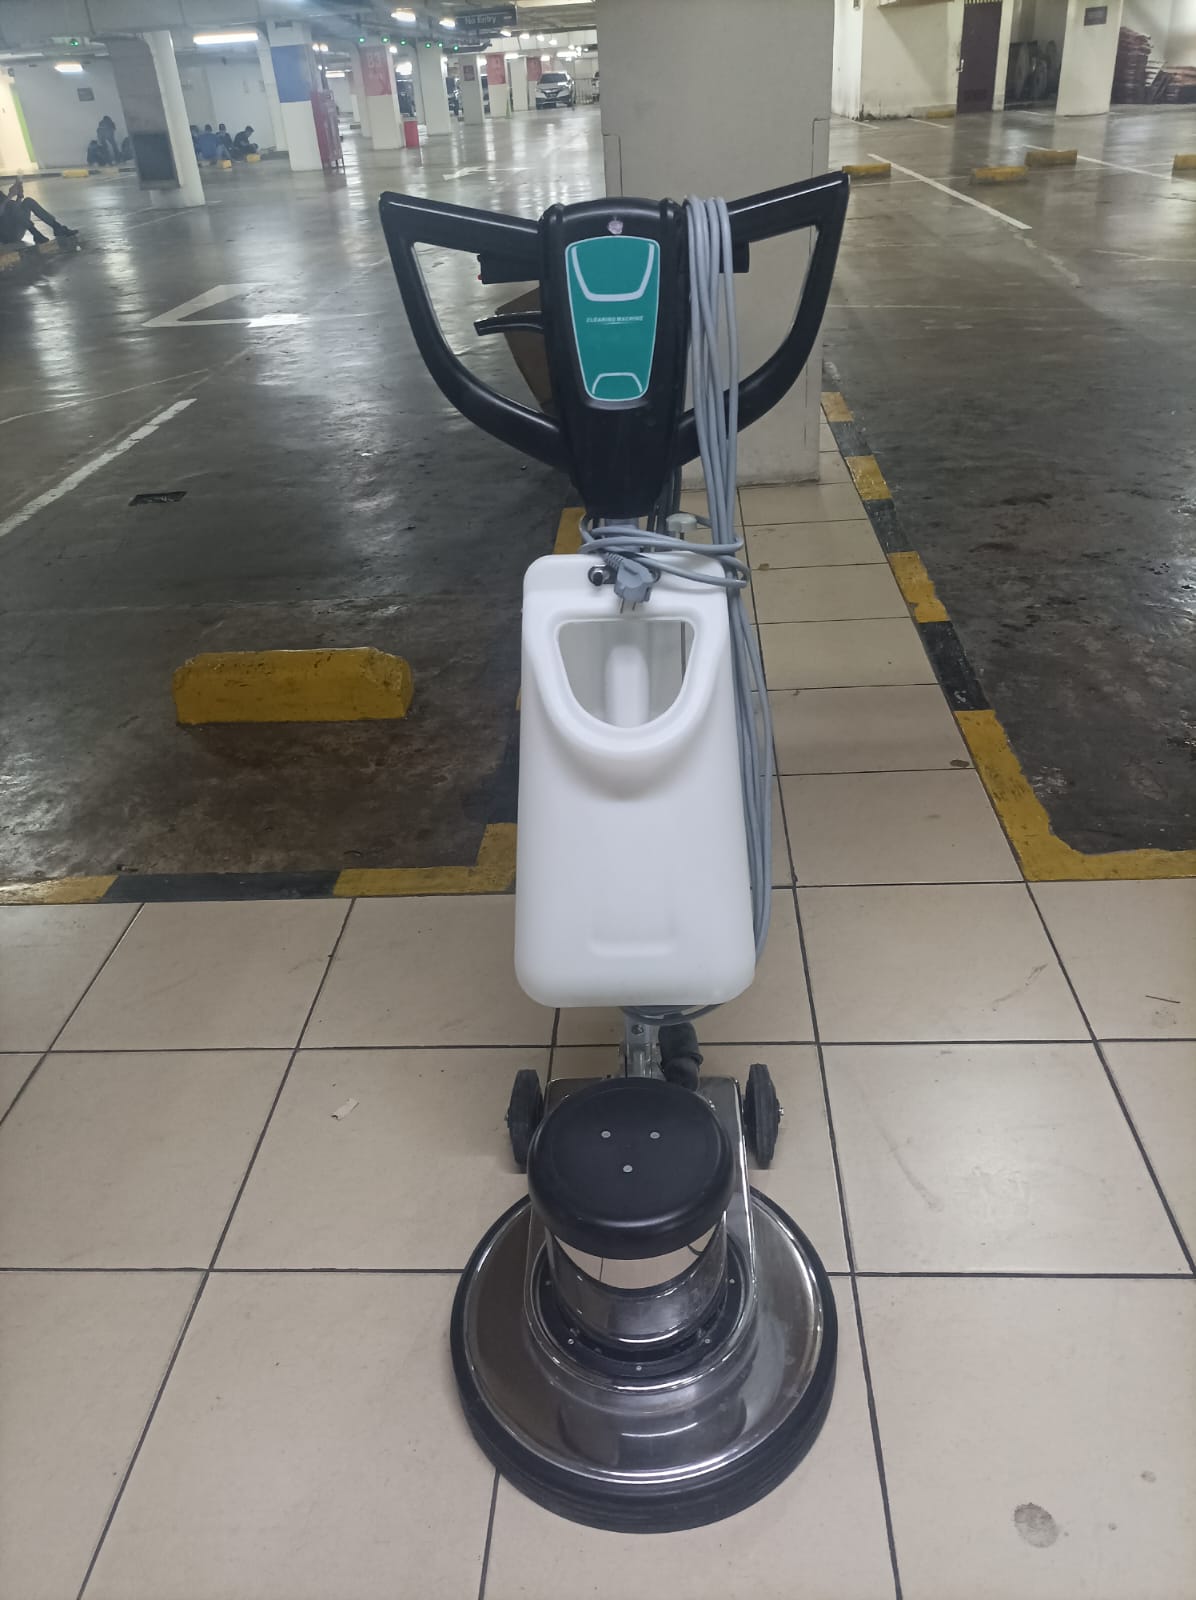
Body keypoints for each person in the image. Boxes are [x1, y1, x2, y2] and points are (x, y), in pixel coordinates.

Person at [0, 179, 78, 247]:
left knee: (28, 201)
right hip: (7, 236)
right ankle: (35, 233)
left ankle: (57, 227)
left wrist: (19, 196)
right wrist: (10, 195)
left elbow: (14, 210)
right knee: (12, 205)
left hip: (15, 229)